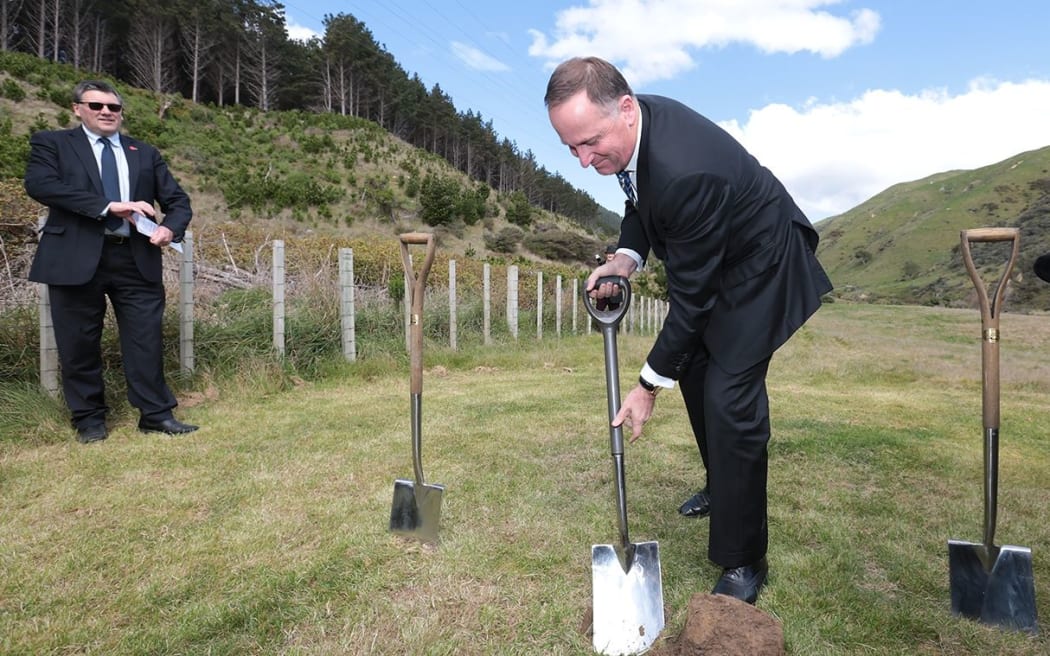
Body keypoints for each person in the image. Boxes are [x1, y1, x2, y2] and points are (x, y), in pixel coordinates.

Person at [545, 57, 832, 604]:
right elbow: (640, 200)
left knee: (729, 397)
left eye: (590, 142)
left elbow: (692, 300)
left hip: (764, 266)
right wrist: (625, 258)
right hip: (720, 262)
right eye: (571, 148)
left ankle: (744, 558)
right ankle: (723, 486)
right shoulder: (638, 133)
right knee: (697, 374)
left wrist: (647, 386)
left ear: (625, 109)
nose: (583, 160)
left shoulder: (686, 168)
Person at [25, 80, 198, 443]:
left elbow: (178, 201)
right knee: (78, 342)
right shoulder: (52, 143)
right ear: (77, 109)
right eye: (96, 105)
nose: (106, 112)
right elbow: (41, 185)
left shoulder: (144, 152)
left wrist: (169, 230)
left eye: (113, 107)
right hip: (73, 256)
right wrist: (107, 206)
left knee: (145, 339)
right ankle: (89, 420)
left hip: (135, 258)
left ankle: (156, 415)